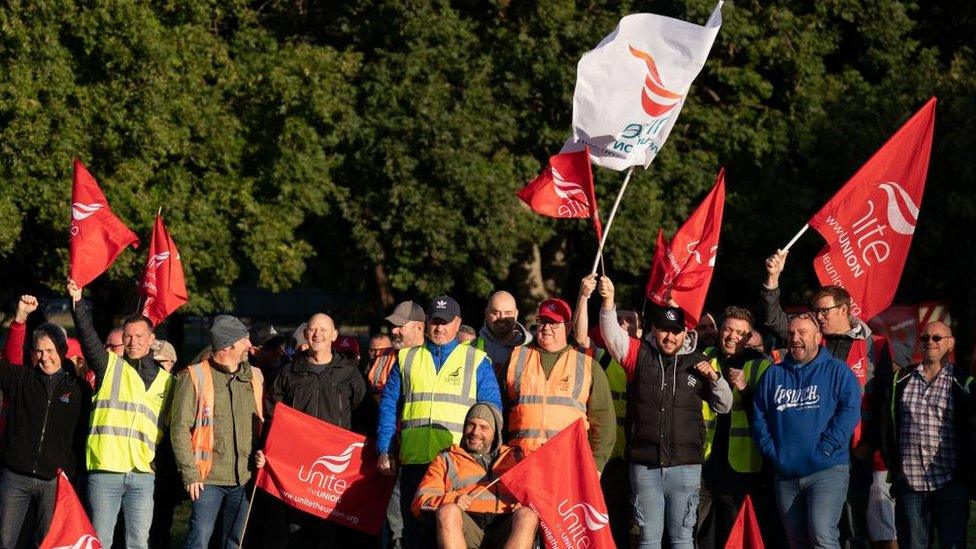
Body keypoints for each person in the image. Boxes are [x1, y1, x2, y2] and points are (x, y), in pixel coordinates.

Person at [763, 249, 893, 546]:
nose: (818, 317)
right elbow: (776, 321)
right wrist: (772, 280)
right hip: (815, 452)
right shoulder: (812, 341)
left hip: (855, 450)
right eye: (816, 311)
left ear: (845, 309)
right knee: (818, 531)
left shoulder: (877, 347)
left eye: (824, 311)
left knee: (855, 524)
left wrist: (872, 444)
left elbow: (884, 402)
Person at [598, 276, 732, 549]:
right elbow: (612, 334)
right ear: (654, 330)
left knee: (682, 539)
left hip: (686, 466)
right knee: (648, 540)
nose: (670, 337)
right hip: (644, 465)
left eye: (676, 331)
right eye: (664, 330)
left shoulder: (698, 361)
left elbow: (724, 404)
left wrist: (715, 378)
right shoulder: (639, 355)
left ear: (686, 333)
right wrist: (608, 301)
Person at [376, 296, 502, 549]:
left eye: (445, 322)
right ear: (425, 323)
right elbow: (389, 407)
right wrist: (384, 449)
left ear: (458, 323)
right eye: (435, 321)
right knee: (412, 536)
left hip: (457, 465)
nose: (439, 328)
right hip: (415, 460)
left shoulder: (476, 360)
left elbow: (492, 412)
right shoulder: (406, 358)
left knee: (449, 534)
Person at [68, 279, 175, 549]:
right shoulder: (109, 366)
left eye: (139, 336)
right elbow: (88, 336)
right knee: (101, 541)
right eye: (127, 336)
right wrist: (78, 302)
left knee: (138, 542)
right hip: (105, 471)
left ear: (152, 340)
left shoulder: (167, 382)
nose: (132, 341)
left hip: (142, 474)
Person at [751, 313, 860, 549]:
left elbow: (850, 411)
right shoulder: (774, 374)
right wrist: (774, 453)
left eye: (802, 333)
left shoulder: (838, 371)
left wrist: (826, 448)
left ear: (818, 337)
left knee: (822, 536)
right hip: (786, 473)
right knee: (795, 540)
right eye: (791, 333)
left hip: (827, 470)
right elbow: (759, 417)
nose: (795, 338)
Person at [264, 313, 367, 547]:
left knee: (331, 535)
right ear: (305, 334)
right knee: (297, 532)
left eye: (323, 330)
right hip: (298, 470)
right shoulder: (289, 373)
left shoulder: (349, 373)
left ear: (334, 335)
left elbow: (365, 417)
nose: (317, 334)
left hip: (334, 474)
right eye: (312, 330)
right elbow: (273, 417)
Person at [170, 315, 264, 549]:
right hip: (206, 479)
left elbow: (259, 422)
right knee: (198, 540)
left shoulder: (252, 377)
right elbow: (179, 427)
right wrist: (190, 473)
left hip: (244, 477)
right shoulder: (194, 376)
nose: (249, 346)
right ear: (228, 346)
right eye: (244, 341)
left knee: (234, 541)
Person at [880, 321, 973, 549]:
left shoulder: (963, 383)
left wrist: (967, 474)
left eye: (937, 338)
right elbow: (886, 424)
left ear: (950, 344)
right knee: (913, 544)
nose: (930, 342)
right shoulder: (901, 379)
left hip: (950, 482)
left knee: (952, 544)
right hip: (910, 481)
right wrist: (896, 468)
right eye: (925, 338)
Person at [0, 321, 91, 548]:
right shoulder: (20, 378)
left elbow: (81, 436)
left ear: (62, 351)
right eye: (39, 351)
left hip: (54, 480)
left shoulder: (79, 389)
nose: (44, 357)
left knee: (48, 542)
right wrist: (19, 320)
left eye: (50, 350)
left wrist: (70, 471)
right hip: (15, 476)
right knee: (5, 540)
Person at [501, 296, 615, 472]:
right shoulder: (516, 358)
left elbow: (604, 421)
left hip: (568, 466)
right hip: (520, 464)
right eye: (542, 321)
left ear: (568, 327)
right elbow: (500, 411)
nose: (546, 328)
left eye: (554, 323)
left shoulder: (587, 364)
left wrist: (597, 467)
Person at [695, 307, 775, 549]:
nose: (732, 337)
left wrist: (745, 389)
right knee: (699, 533)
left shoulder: (761, 365)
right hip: (704, 460)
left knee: (735, 535)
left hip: (742, 468)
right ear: (720, 330)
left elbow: (768, 416)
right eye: (729, 329)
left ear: (749, 337)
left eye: (740, 333)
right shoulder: (702, 357)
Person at [413, 402, 537, 549]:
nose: (475, 432)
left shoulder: (517, 457)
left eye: (484, 427)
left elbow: (541, 495)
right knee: (448, 511)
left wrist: (527, 504)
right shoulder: (447, 459)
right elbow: (421, 500)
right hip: (466, 526)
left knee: (527, 515)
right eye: (471, 424)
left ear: (495, 432)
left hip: (505, 525)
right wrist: (453, 499)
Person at [148, 340, 183, 549]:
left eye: (162, 362)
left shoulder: (179, 388)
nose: (157, 367)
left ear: (172, 362)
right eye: (153, 362)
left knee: (161, 527)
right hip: (141, 463)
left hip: (165, 470)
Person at [472, 291, 532, 378]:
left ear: (516, 314)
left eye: (508, 313)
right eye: (495, 312)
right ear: (486, 313)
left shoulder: (532, 348)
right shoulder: (470, 349)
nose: (501, 317)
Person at [248, 322, 288, 390]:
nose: (280, 351)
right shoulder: (245, 374)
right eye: (273, 346)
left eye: (281, 344)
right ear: (253, 350)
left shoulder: (287, 365)